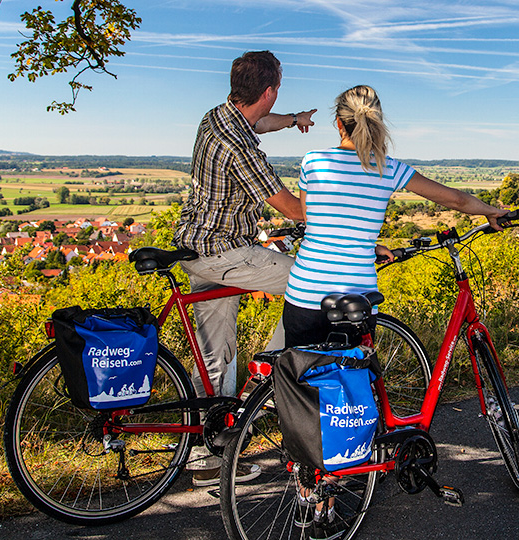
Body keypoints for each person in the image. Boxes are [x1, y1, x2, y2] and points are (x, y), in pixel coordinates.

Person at [172, 50, 316, 486]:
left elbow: (258, 121)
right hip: (225, 254)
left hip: (195, 248)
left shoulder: (218, 117)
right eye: (278, 93)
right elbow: (291, 208)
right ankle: (269, 377)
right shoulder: (240, 148)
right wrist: (337, 211)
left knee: (215, 355)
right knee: (311, 281)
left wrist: (293, 119)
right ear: (269, 90)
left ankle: (209, 456)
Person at [282, 84, 508, 348]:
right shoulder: (388, 169)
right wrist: (492, 212)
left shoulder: (313, 161)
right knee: (357, 382)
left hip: (305, 292)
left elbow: (314, 223)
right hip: (357, 300)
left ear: (338, 122)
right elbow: (455, 199)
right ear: (376, 121)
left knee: (301, 381)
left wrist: (366, 244)